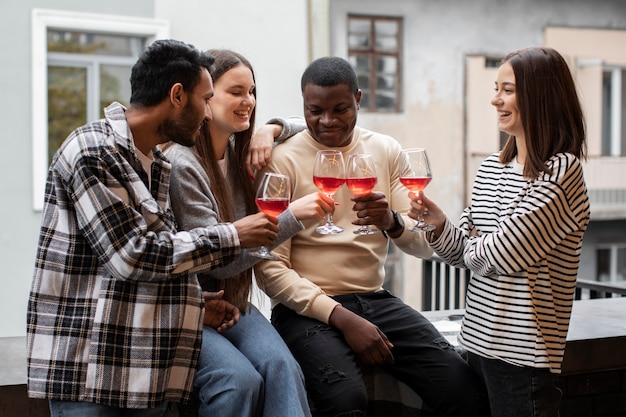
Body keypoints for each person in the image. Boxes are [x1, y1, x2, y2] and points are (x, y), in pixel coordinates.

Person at [26, 39, 280, 417]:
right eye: (205, 99)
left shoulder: (157, 163)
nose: (208, 112)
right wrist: (235, 234)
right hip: (88, 370)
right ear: (178, 96)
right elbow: (132, 255)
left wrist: (192, 303)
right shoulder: (93, 151)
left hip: (142, 365)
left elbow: (162, 254)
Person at [254, 56, 489, 417]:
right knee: (346, 399)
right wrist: (342, 318)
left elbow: (422, 243)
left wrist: (392, 221)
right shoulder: (282, 159)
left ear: (359, 99)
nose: (327, 121)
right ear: (302, 104)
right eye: (314, 110)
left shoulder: (384, 149)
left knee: (462, 387)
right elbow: (270, 268)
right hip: (304, 309)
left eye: (341, 109)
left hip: (374, 299)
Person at [408, 46, 590, 417]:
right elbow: (465, 253)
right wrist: (442, 224)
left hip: (523, 358)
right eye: (496, 88)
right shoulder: (493, 167)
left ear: (539, 95)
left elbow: (503, 256)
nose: (495, 99)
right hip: (475, 344)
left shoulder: (562, 172)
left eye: (507, 89)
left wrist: (481, 245)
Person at [164, 49, 333, 417]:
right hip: (197, 307)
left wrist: (269, 128)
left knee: (284, 368)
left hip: (239, 304)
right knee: (240, 381)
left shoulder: (241, 154)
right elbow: (217, 261)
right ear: (206, 99)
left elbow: (315, 121)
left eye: (252, 91)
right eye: (236, 91)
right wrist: (292, 217)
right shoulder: (184, 164)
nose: (248, 101)